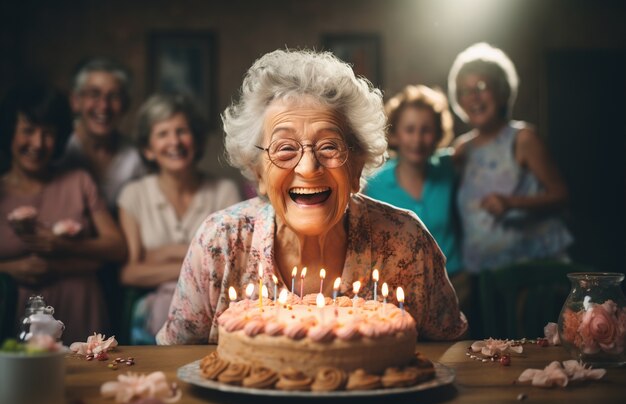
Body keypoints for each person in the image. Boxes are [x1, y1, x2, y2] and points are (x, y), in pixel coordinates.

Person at [156, 49, 467, 345]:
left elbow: (448, 352)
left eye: (329, 146)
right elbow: (176, 359)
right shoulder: (220, 243)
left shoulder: (405, 242)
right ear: (259, 172)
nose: (308, 167)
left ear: (358, 166)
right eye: (285, 148)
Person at [0, 84, 127, 343]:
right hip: (17, 318)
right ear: (9, 131)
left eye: (48, 134)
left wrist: (61, 245)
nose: (38, 143)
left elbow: (117, 247)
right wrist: (9, 268)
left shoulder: (78, 181)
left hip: (82, 309)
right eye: (28, 131)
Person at [117, 94, 241, 344]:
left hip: (216, 305)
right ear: (147, 150)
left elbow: (233, 264)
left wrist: (162, 254)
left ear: (196, 140)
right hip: (154, 314)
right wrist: (200, 264)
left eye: (182, 131)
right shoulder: (134, 195)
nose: (174, 141)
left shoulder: (224, 190)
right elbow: (130, 272)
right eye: (163, 133)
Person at [448, 42, 573, 274]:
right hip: (482, 275)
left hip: (531, 273)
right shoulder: (462, 148)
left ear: (502, 91)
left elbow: (562, 196)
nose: (473, 97)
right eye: (465, 90)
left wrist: (511, 203)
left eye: (482, 86)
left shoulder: (523, 139)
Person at [364, 85, 463, 278]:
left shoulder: (449, 166)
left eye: (426, 130)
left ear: (438, 134)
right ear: (395, 134)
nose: (417, 139)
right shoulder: (373, 184)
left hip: (456, 281)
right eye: (409, 129)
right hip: (402, 283)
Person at [58, 58, 145, 212]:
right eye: (94, 94)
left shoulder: (136, 158)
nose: (104, 105)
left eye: (114, 96)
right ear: (75, 101)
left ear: (125, 105)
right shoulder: (57, 148)